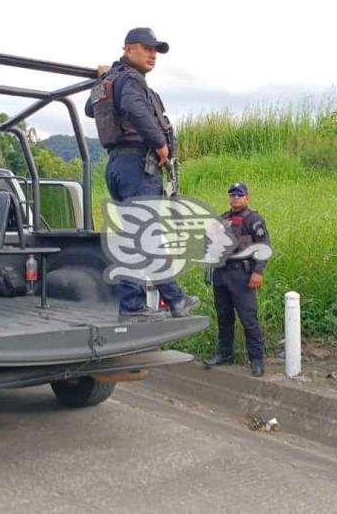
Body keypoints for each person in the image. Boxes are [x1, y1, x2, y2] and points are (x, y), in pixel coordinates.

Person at [86, 27, 199, 322]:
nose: (152, 55)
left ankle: (158, 301)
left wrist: (104, 76)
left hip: (118, 166)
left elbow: (91, 107)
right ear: (128, 49)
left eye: (155, 51)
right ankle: (154, 303)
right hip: (139, 165)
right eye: (146, 48)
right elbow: (134, 109)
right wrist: (160, 144)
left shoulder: (113, 80)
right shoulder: (131, 81)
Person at [204, 183, 271, 377]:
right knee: (224, 318)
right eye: (232, 195)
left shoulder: (254, 219)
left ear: (247, 198)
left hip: (242, 275)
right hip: (221, 274)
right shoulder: (222, 219)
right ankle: (225, 354)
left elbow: (264, 246)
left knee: (249, 320)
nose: (235, 198)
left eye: (239, 195)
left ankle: (256, 360)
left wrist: (258, 272)